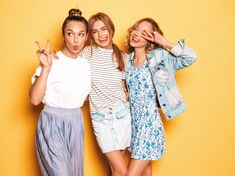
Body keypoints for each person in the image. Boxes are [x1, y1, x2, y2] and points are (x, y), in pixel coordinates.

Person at [125, 18, 197, 176]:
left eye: (144, 33)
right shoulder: (127, 60)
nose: (137, 34)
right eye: (136, 29)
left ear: (151, 39)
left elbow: (190, 57)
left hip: (149, 124)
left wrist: (164, 42)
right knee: (146, 172)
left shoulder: (160, 56)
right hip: (133, 125)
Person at [29, 9, 90, 176]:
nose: (75, 40)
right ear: (63, 35)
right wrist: (46, 68)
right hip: (52, 122)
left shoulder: (86, 64)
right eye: (70, 34)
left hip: (76, 123)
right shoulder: (51, 60)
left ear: (86, 37)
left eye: (81, 34)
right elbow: (35, 100)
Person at [82, 12, 131, 176]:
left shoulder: (123, 57)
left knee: (116, 170)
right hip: (101, 118)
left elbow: (126, 87)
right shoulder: (86, 53)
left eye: (103, 29)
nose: (101, 35)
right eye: (95, 31)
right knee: (122, 170)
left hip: (122, 115)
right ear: (91, 35)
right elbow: (68, 63)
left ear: (111, 30)